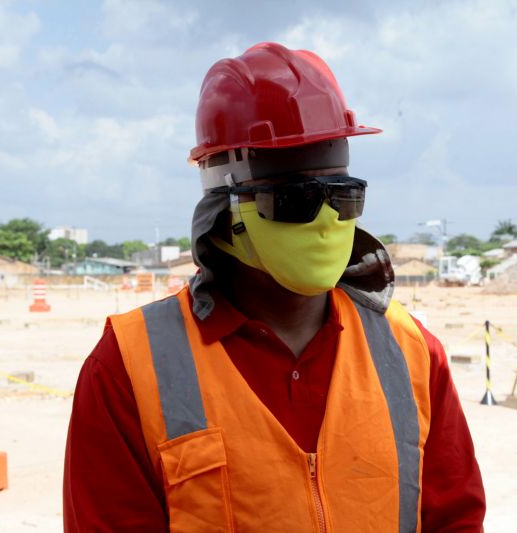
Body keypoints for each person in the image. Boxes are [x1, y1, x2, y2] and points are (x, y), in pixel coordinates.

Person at [64, 42, 485, 532]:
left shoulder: (411, 351)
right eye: (294, 200)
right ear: (223, 213)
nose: (327, 219)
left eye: (344, 196)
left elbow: (455, 519)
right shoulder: (130, 366)